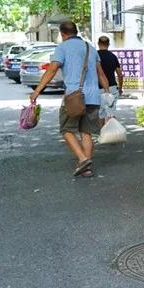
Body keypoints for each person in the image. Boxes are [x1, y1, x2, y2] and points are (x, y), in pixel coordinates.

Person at [30, 21, 111, 178]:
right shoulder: (90, 48)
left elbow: (53, 69)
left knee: (66, 129)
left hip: (74, 96)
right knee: (86, 132)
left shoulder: (62, 48)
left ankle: (82, 159)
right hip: (93, 96)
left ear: (62, 34)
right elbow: (101, 73)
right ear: (76, 31)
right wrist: (107, 92)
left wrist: (37, 90)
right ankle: (86, 168)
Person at [97, 36, 123, 123]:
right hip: (112, 87)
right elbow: (120, 74)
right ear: (108, 44)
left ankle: (102, 134)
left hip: (99, 88)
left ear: (98, 44)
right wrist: (120, 88)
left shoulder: (95, 56)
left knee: (101, 113)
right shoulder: (113, 56)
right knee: (110, 113)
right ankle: (111, 133)